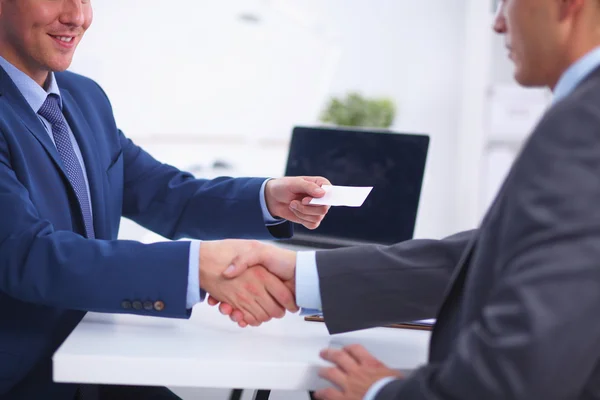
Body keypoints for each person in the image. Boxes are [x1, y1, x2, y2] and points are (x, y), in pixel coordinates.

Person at [208, 0, 600, 398]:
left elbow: (524, 367)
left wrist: (383, 393)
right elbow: (488, 255)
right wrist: (305, 276)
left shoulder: (584, 123)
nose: (498, 23)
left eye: (505, 2)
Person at [0, 0, 331, 399]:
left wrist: (266, 198)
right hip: (23, 376)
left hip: (94, 357)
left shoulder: (83, 97)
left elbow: (159, 191)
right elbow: (28, 254)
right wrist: (195, 268)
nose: (77, 16)